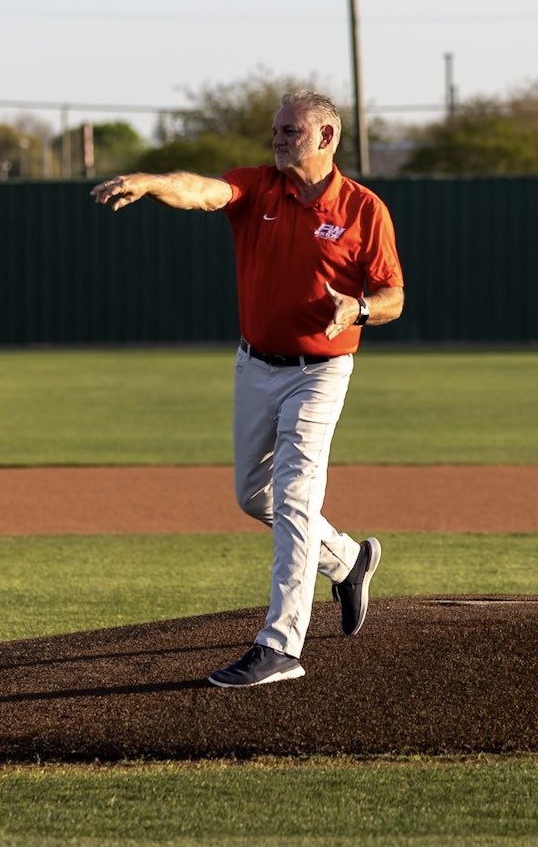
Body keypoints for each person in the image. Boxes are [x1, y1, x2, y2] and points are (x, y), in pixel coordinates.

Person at [91, 90, 404, 687]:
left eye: (291, 130)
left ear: (326, 138)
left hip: (321, 371)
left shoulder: (364, 209)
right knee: (251, 495)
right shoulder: (260, 187)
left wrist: (357, 308)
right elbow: (204, 190)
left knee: (292, 497)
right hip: (256, 366)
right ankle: (347, 560)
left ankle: (281, 645)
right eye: (276, 129)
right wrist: (156, 182)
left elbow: (393, 298)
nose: (278, 138)